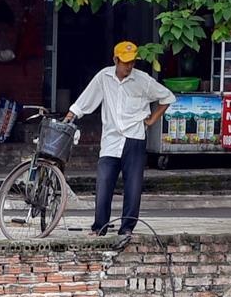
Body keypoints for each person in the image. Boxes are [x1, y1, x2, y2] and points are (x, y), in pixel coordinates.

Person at [64, 41, 175, 242]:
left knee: (133, 186)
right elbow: (86, 100)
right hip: (111, 139)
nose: (129, 66)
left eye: (132, 62)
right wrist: (70, 115)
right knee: (104, 183)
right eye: (125, 62)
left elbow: (167, 97)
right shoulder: (104, 77)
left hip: (134, 138)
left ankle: (127, 228)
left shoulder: (143, 80)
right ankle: (100, 227)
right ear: (115, 60)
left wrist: (151, 120)